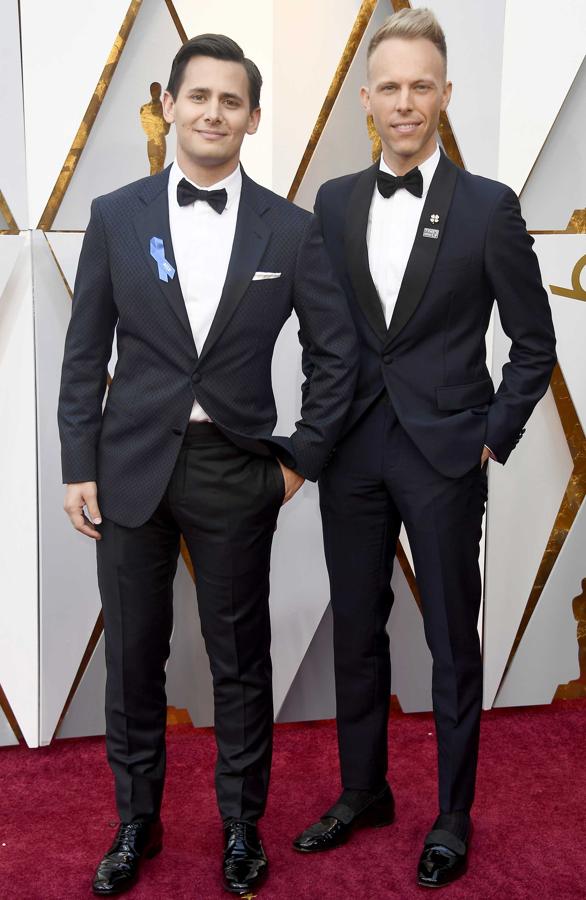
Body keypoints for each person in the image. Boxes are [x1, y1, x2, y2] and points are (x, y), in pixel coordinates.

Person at [58, 33, 357, 897]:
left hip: (237, 468)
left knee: (240, 659)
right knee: (133, 659)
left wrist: (298, 461)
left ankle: (239, 827)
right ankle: (135, 824)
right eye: (199, 97)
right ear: (173, 107)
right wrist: (81, 461)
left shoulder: (291, 229)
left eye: (231, 101)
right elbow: (84, 354)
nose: (214, 113)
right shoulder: (116, 216)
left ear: (252, 118)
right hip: (129, 468)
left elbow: (334, 357)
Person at [293, 8, 556, 889]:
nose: (406, 103)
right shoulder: (331, 203)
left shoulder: (490, 206)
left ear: (446, 94)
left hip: (447, 457)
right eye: (391, 88)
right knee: (357, 635)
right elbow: (326, 336)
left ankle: (452, 813)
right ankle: (363, 790)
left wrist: (493, 438)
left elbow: (533, 341)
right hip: (352, 454)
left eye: (422, 86)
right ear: (366, 99)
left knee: (451, 642)